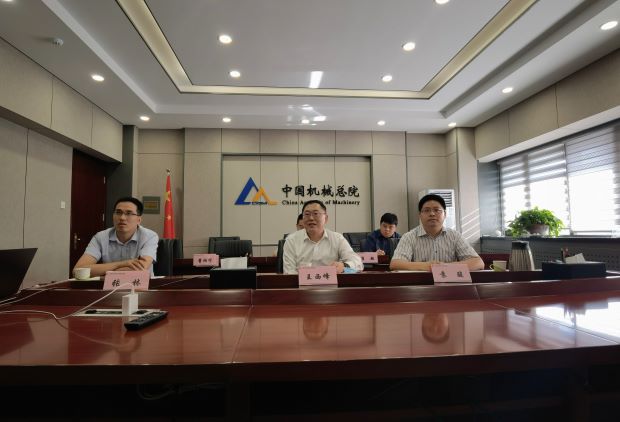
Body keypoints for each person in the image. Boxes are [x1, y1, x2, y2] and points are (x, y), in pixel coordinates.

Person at [390, 194, 484, 271]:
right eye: (427, 210)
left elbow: (478, 263)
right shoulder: (409, 237)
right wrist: (428, 266)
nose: (432, 214)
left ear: (445, 214)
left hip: (451, 285)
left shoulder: (455, 236)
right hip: (420, 285)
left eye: (437, 210)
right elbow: (395, 264)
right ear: (420, 215)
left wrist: (443, 267)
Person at [73, 197, 159, 277]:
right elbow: (78, 271)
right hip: (108, 287)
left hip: (141, 285)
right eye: (118, 212)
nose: (122, 218)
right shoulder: (100, 237)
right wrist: (122, 264)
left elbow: (141, 268)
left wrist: (102, 270)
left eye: (129, 213)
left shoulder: (149, 236)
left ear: (139, 220)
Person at [283, 200, 363, 274]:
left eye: (316, 214)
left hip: (331, 283)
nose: (311, 218)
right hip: (300, 283)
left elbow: (358, 263)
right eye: (307, 214)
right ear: (303, 219)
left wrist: (344, 266)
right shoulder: (291, 240)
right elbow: (289, 272)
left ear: (326, 218)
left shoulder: (337, 239)